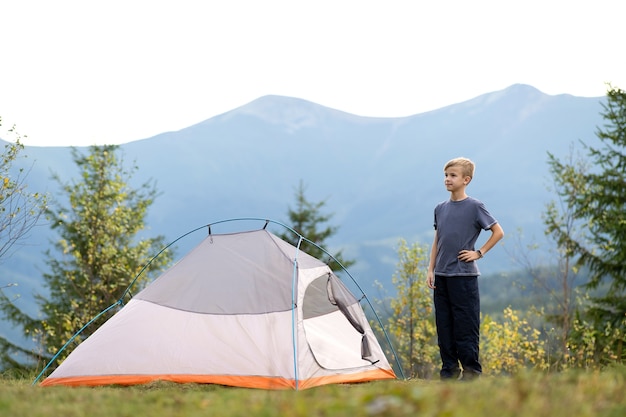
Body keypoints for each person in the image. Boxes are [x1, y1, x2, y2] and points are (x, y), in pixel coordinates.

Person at [426, 157, 504, 381]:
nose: (447, 179)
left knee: (466, 325)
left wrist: (479, 253)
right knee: (444, 325)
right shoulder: (440, 209)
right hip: (441, 276)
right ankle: (449, 372)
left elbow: (498, 232)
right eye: (446, 175)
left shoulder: (475, 207)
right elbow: (437, 240)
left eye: (453, 176)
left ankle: (471, 373)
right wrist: (430, 269)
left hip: (464, 277)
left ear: (466, 180)